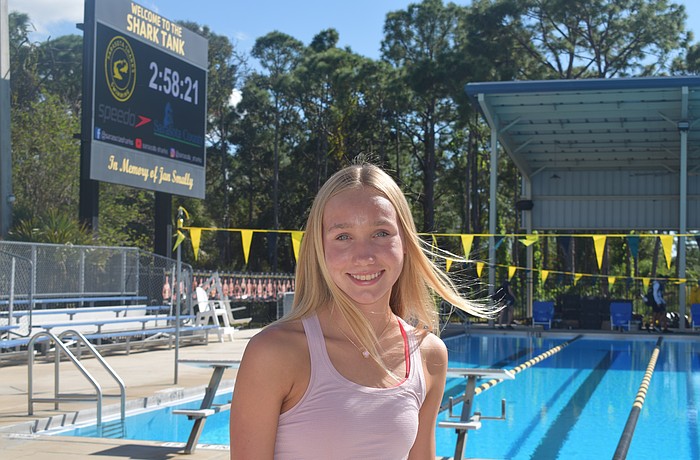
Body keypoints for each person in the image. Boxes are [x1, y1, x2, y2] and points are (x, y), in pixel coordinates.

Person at [229, 162, 497, 459]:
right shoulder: (275, 352)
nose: (364, 256)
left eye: (381, 233)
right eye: (343, 236)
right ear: (319, 249)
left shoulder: (428, 354)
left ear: (405, 242)